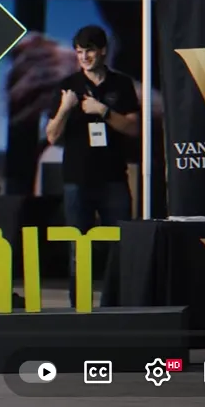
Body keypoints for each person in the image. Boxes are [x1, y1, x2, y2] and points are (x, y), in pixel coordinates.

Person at [44, 25, 140, 307]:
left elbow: (133, 127)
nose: (84, 57)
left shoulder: (121, 84)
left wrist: (103, 111)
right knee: (78, 246)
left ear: (103, 51)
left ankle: (116, 303)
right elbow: (52, 136)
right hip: (77, 179)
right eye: (79, 52)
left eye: (89, 51)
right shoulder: (68, 85)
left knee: (119, 244)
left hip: (113, 178)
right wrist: (65, 108)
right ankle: (80, 304)